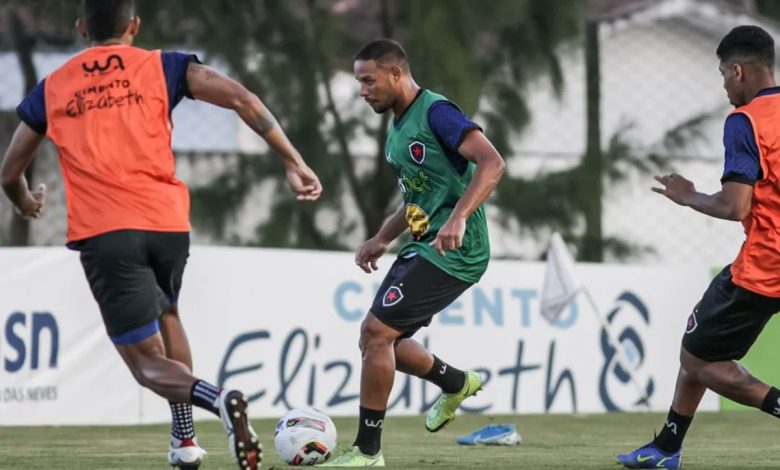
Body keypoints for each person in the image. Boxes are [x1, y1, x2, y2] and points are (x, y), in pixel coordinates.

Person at [0, 1, 322, 470]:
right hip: (168, 225)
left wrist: (25, 200)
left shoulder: (54, 87)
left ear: (80, 28)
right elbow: (243, 99)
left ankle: (219, 398)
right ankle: (185, 441)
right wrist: (294, 160)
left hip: (107, 232)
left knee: (145, 364)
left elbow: (10, 170)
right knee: (168, 312)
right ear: (134, 26)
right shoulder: (162, 66)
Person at [322, 38, 505, 467]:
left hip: (458, 250)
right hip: (424, 244)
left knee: (376, 334)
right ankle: (456, 382)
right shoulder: (399, 126)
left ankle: (367, 453)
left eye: (368, 81)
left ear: (396, 73)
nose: (363, 90)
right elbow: (419, 196)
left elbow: (492, 163)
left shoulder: (436, 112)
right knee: (380, 340)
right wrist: (381, 238)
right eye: (358, 82)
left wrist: (458, 218)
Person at [617, 25, 780, 469]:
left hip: (766, 266)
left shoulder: (745, 121)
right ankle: (667, 448)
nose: (725, 84)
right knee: (700, 346)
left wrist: (686, 195)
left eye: (723, 74)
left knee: (697, 357)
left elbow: (734, 205)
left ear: (739, 70)